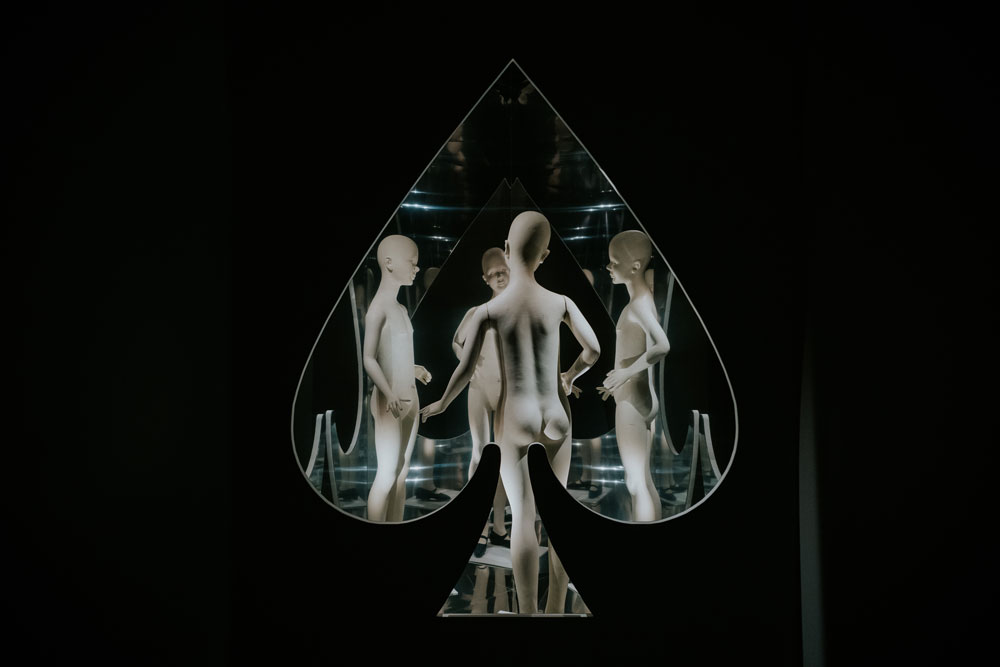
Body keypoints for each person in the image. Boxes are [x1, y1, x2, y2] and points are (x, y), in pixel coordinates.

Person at [421, 211, 600, 613]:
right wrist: (569, 375)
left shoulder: (491, 310)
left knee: (524, 517)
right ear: (545, 255)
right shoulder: (560, 302)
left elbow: (465, 369)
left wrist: (443, 402)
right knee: (559, 518)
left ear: (506, 249)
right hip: (556, 414)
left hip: (516, 416)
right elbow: (593, 351)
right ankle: (556, 606)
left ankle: (529, 612)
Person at [597, 230, 670, 521]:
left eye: (615, 262)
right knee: (642, 479)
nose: (609, 267)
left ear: (635, 266)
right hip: (639, 396)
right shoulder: (642, 300)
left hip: (632, 401)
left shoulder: (638, 305)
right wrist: (619, 378)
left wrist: (625, 373)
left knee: (636, 482)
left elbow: (662, 345)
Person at [362, 234, 432, 522]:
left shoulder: (400, 309)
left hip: (410, 397)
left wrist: (414, 369)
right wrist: (388, 392)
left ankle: (395, 526)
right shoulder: (377, 310)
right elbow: (368, 358)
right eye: (412, 262)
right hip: (389, 401)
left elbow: (393, 353)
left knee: (402, 472)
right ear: (389, 263)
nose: (417, 268)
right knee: (387, 473)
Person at [453, 248, 510, 554]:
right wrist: (468, 362)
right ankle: (479, 527)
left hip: (507, 393)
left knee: (502, 459)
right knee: (479, 455)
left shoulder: (517, 311)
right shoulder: (477, 312)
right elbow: (456, 341)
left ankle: (499, 526)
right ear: (485, 279)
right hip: (480, 389)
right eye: (493, 274)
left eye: (503, 271)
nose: (499, 277)